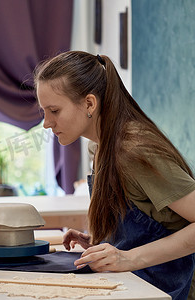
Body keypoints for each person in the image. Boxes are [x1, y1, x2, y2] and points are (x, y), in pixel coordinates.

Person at [34, 51, 195, 300]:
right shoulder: (98, 147)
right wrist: (104, 242)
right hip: (139, 284)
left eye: (54, 110)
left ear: (89, 103)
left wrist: (126, 257)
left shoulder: (133, 150)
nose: (46, 123)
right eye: (44, 110)